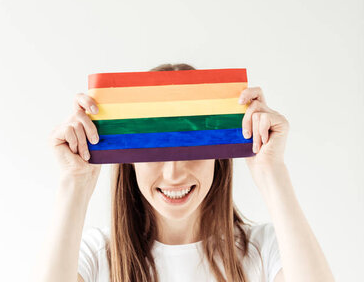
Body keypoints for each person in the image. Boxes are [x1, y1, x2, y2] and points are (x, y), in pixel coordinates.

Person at [35, 63, 335, 282]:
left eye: (191, 151)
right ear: (130, 163)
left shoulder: (266, 248)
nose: (174, 173)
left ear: (218, 158)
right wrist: (75, 183)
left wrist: (271, 171)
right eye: (154, 152)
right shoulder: (96, 255)